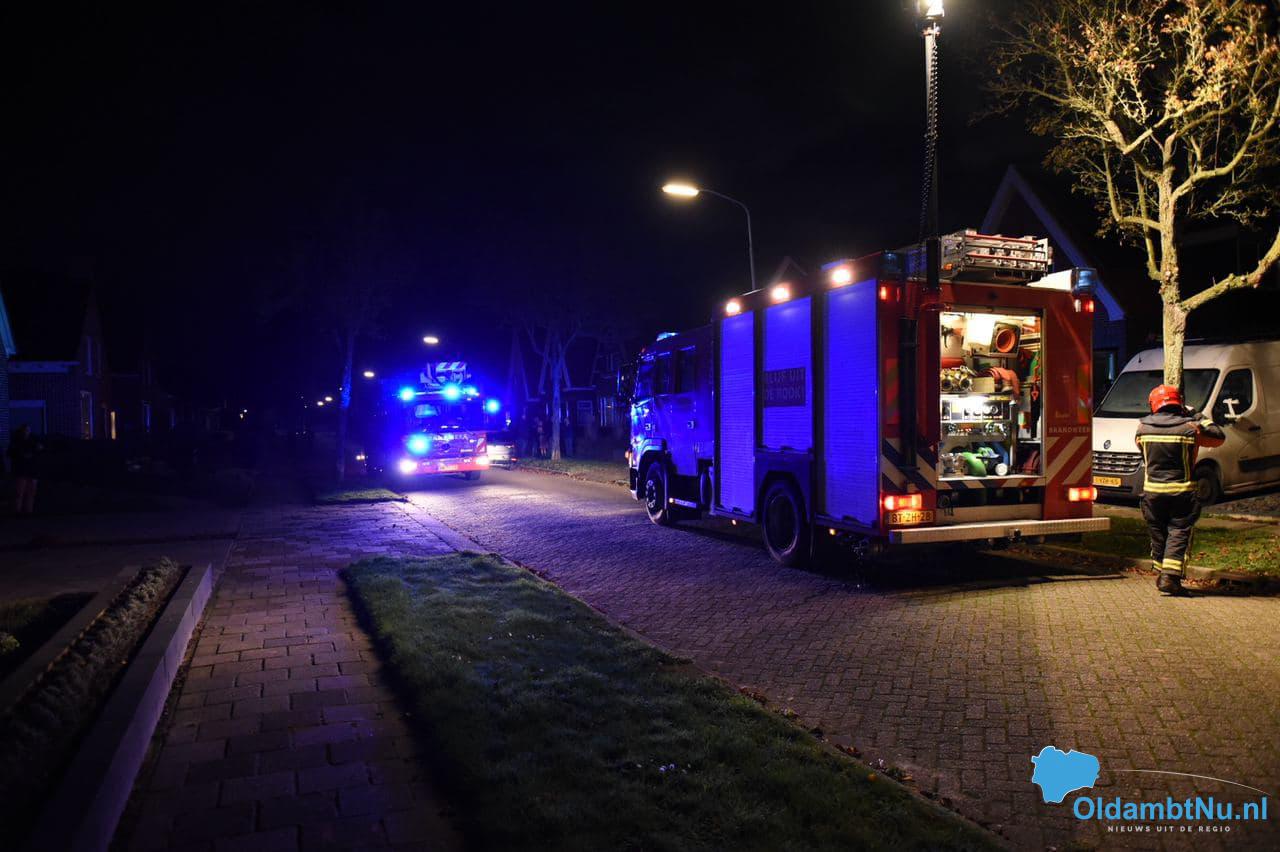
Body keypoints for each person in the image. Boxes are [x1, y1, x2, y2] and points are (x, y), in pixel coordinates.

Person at [1136, 384, 1224, 596]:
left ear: (1153, 405)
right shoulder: (1190, 429)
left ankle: (1162, 572)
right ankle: (1169, 578)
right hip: (1182, 492)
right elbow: (1218, 437)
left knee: (1158, 532)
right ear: (1179, 404)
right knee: (1178, 532)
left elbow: (1143, 454)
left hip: (1152, 492)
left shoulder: (1142, 430)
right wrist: (1197, 415)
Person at [8, 424, 42, 515]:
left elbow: (39, 452)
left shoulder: (33, 441)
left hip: (32, 470)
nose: (26, 432)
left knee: (31, 492)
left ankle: (28, 511)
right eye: (25, 430)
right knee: (19, 492)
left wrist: (38, 450)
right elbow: (10, 453)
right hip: (22, 470)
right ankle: (18, 511)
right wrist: (21, 455)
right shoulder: (16, 442)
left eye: (27, 430)